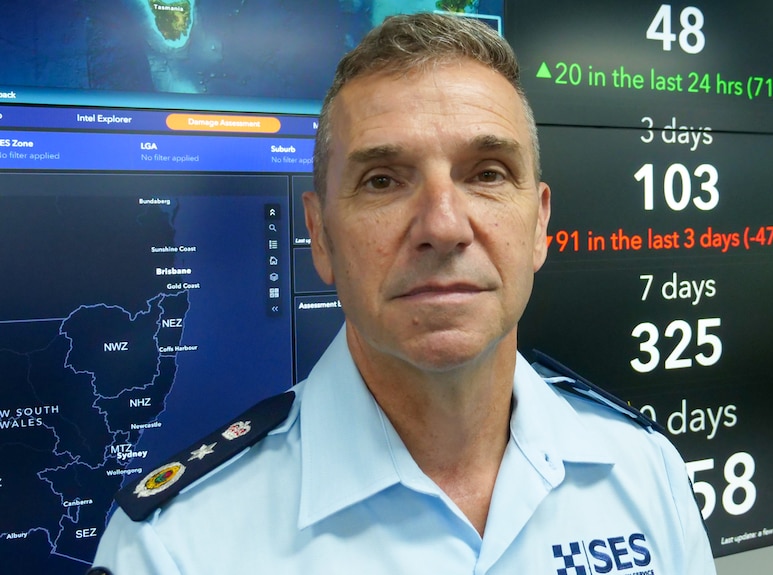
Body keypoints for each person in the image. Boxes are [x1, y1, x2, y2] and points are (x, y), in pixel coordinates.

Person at [89, 12, 716, 574]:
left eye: (488, 174)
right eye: (384, 180)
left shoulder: (647, 474)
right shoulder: (175, 549)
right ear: (320, 235)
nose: (443, 226)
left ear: (540, 226)